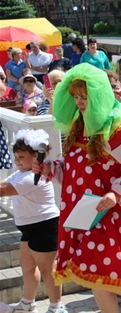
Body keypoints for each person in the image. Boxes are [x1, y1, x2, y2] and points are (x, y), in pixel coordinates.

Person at [32, 63, 121, 313]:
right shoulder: (78, 126)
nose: (80, 103)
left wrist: (117, 194)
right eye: (76, 97)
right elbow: (75, 166)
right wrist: (51, 167)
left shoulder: (120, 126)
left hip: (114, 215)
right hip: (85, 216)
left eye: (85, 97)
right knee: (95, 274)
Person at [0, 129, 67, 313]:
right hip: (30, 229)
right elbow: (3, 184)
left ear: (36, 156)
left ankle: (57, 308)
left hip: (45, 227)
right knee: (28, 267)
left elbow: (3, 191)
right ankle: (27, 304)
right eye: (15, 156)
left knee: (48, 271)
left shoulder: (34, 176)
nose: (17, 161)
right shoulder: (21, 174)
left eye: (21, 156)